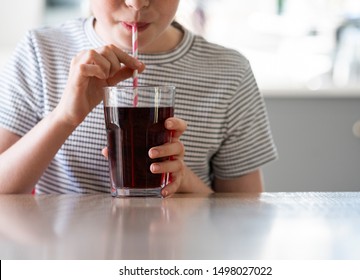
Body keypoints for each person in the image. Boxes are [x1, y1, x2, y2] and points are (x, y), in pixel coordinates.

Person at [0, 0, 277, 196]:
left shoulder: (229, 72)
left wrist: (185, 184)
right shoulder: (41, 52)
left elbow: (246, 214)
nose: (137, 3)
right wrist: (64, 117)